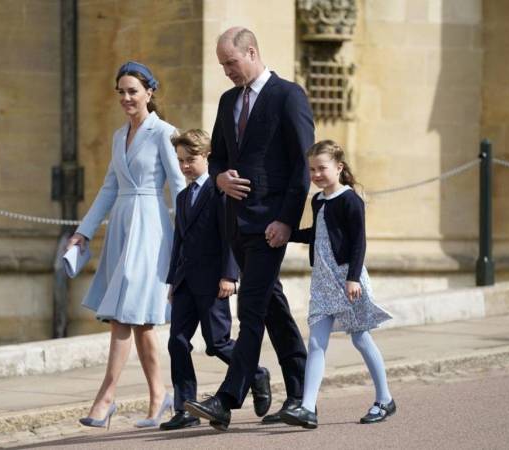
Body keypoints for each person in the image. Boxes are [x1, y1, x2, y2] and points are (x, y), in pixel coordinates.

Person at [184, 27, 312, 431]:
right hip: (235, 225)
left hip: (271, 225)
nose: (226, 72)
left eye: (231, 63)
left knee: (251, 307)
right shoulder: (227, 101)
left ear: (252, 52)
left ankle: (226, 399)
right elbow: (218, 158)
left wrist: (287, 221)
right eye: (222, 65)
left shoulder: (288, 96)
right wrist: (218, 179)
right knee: (271, 305)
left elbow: (301, 164)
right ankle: (300, 393)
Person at [68, 61, 185, 429]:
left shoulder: (165, 133)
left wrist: (188, 237)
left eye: (132, 90)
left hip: (151, 228)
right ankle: (158, 397)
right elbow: (109, 187)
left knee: (124, 314)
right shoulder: (119, 137)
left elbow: (180, 187)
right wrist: (83, 232)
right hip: (121, 226)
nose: (126, 98)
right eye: (121, 91)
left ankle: (105, 399)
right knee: (141, 321)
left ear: (150, 92)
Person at [160, 129, 270, 430]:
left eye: (190, 159)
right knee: (177, 343)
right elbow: (178, 242)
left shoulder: (220, 193)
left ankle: (257, 374)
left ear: (207, 156)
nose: (184, 166)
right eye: (180, 160)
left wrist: (229, 275)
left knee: (218, 343)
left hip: (213, 282)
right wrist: (172, 281)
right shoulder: (183, 197)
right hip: (184, 281)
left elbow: (229, 237)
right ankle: (185, 409)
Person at [280, 140, 395, 429]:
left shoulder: (350, 199)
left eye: (322, 168)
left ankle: (385, 399)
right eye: (312, 170)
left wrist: (353, 277)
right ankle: (307, 408)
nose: (316, 174)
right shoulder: (318, 200)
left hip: (346, 278)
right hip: (322, 279)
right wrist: (288, 234)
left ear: (339, 167)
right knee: (316, 342)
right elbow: (319, 235)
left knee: (360, 338)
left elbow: (358, 242)